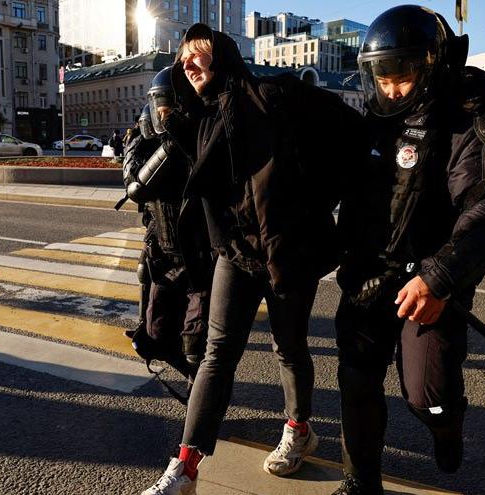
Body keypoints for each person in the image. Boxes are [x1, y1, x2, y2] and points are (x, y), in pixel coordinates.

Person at [142, 24, 367, 495]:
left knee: (288, 348)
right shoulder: (199, 117)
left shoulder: (272, 95)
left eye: (197, 55)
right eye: (183, 59)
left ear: (221, 56)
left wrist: (319, 210)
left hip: (289, 254)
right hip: (237, 253)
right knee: (217, 354)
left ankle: (298, 429)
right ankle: (185, 467)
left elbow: (349, 136)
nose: (187, 63)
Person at [332, 7, 485, 494]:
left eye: (403, 76)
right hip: (368, 279)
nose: (392, 89)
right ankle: (361, 481)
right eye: (383, 78)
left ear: (432, 66)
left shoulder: (471, 130)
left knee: (428, 396)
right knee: (357, 383)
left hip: (433, 286)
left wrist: (439, 278)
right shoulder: (368, 127)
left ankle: (446, 426)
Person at [122, 70, 214, 389]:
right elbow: (135, 187)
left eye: (170, 107)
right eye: (159, 107)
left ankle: (199, 393)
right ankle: (148, 335)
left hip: (201, 253)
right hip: (163, 239)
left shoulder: (204, 135)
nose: (164, 114)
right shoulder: (152, 139)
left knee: (196, 337)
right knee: (157, 323)